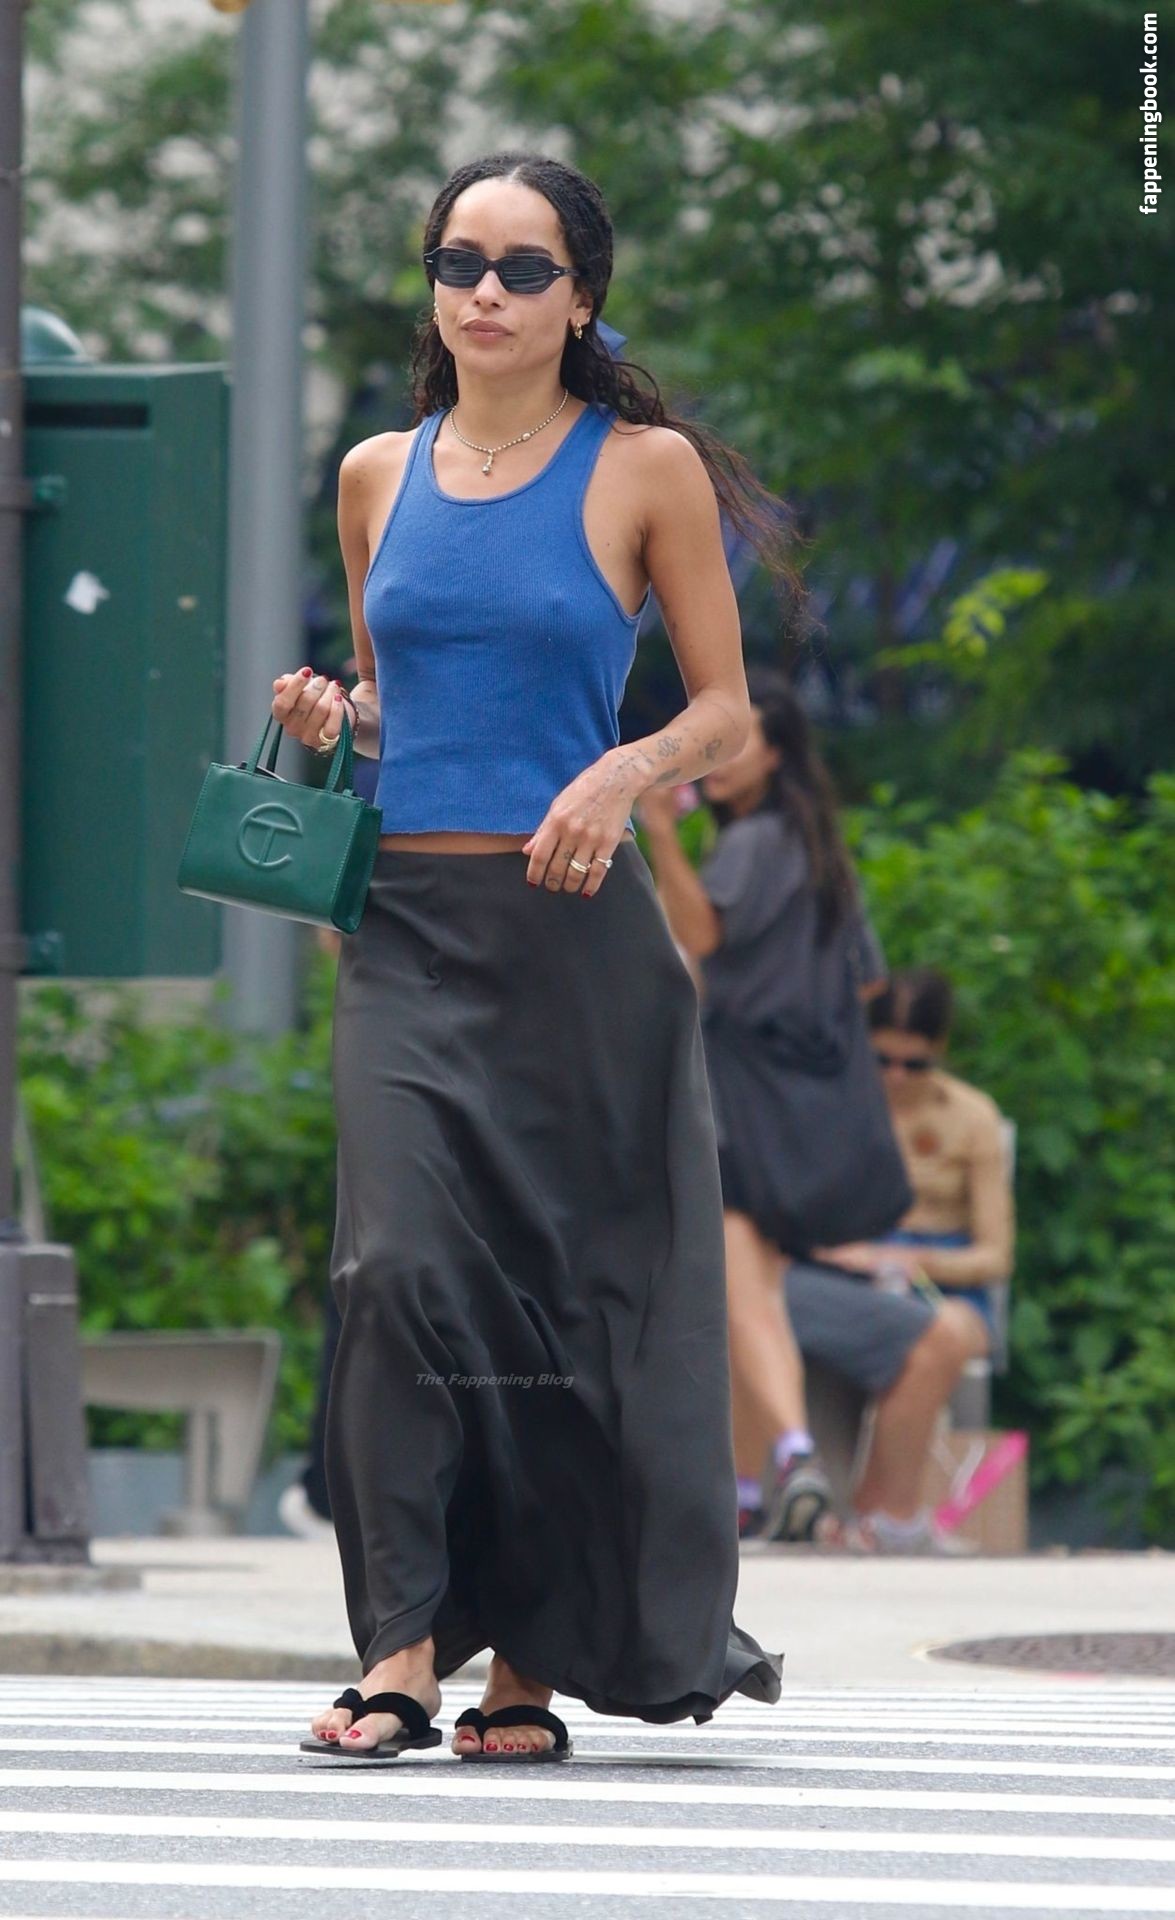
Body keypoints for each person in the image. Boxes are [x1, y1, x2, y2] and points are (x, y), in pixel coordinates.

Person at [270, 150, 796, 1765]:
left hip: (576, 935)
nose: (483, 292)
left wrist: (624, 770)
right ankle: (400, 1644)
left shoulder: (643, 470)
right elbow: (405, 707)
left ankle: (529, 1664)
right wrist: (336, 718)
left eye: (520, 267)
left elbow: (725, 712)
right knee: (394, 1270)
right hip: (407, 930)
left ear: (581, 299)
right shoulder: (376, 474)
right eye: (457, 263)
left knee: (561, 1297)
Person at [637, 667, 896, 1548]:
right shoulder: (817, 852)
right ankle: (747, 1491)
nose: (714, 755)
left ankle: (793, 1455)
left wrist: (657, 832)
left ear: (774, 754)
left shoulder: (750, 844)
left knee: (741, 1291)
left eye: (732, 742)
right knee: (750, 1289)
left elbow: (700, 935)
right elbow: (868, 981)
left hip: (737, 1092)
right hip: (799, 1101)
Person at [802, 965, 1013, 1549]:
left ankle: (879, 1516)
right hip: (843, 1269)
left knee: (944, 1331)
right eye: (882, 1059)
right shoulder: (833, 1104)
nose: (895, 1076)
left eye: (914, 1064)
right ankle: (873, 1518)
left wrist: (905, 1259)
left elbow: (995, 1255)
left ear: (939, 1050)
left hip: (943, 1276)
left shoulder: (971, 1115)